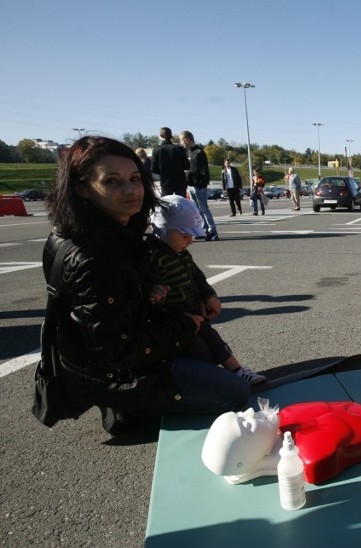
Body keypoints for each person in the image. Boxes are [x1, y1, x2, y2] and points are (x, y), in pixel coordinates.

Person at [43, 136, 250, 435]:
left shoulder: (102, 233)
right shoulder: (94, 257)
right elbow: (115, 351)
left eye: (135, 178)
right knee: (234, 394)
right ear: (81, 188)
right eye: (112, 181)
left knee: (207, 366)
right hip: (114, 371)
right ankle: (129, 407)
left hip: (110, 355)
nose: (130, 190)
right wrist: (185, 324)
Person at [146, 195, 267, 385]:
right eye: (185, 235)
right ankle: (215, 381)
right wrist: (152, 292)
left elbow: (198, 277)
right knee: (201, 355)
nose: (190, 241)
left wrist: (209, 295)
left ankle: (237, 371)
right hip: (177, 323)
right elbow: (144, 287)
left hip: (197, 314)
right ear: (161, 229)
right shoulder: (152, 257)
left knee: (217, 345)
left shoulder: (181, 253)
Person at [201, 398, 361, 485]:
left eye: (240, 414)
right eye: (246, 425)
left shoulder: (288, 416)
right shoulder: (311, 458)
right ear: (246, 456)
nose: (250, 412)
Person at [180, 130, 218, 241]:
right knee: (197, 210)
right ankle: (203, 230)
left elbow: (203, 171)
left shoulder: (199, 152)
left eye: (181, 140)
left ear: (187, 140)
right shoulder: (189, 153)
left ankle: (213, 232)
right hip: (192, 185)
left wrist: (201, 183)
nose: (181, 143)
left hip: (199, 186)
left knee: (204, 209)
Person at [151, 126, 189, 197]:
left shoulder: (157, 150)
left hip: (166, 181)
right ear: (171, 136)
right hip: (180, 181)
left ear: (160, 136)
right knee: (182, 204)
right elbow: (187, 166)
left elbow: (154, 169)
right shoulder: (179, 148)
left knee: (166, 204)